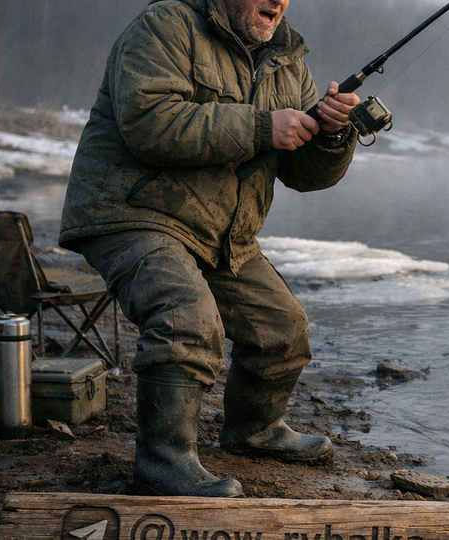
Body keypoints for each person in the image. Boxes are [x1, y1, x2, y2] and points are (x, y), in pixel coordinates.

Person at [58, 0, 360, 498]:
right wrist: (263, 127)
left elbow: (305, 176)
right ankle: (163, 464)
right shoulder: (166, 25)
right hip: (133, 213)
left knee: (283, 328)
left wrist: (331, 134)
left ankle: (254, 431)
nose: (277, 1)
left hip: (218, 231)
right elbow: (150, 122)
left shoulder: (289, 61)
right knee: (186, 317)